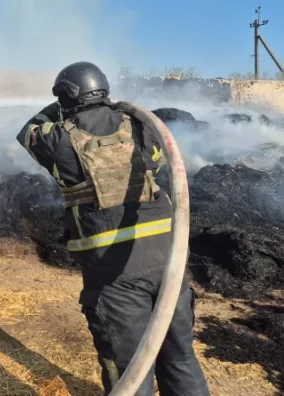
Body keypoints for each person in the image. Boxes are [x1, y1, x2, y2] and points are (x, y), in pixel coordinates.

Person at [16, 61, 210, 396]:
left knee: (131, 370)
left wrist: (62, 106)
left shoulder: (59, 139)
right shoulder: (139, 126)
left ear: (64, 96)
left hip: (115, 274)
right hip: (169, 259)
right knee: (180, 358)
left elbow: (29, 130)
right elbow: (159, 163)